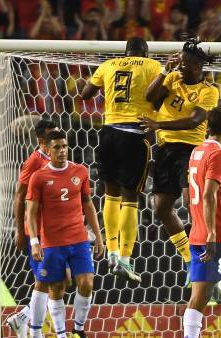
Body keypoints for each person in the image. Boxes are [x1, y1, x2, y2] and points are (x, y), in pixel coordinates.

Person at [81, 37, 161, 283]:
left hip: (107, 133)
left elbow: (85, 94)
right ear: (144, 52)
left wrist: (100, 81)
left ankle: (111, 252)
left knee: (110, 194)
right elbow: (157, 95)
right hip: (133, 135)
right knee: (131, 199)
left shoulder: (109, 65)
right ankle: (125, 259)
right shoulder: (151, 66)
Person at [142, 38, 219, 277]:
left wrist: (159, 123)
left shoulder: (208, 91)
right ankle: (189, 258)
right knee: (162, 207)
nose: (181, 66)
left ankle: (207, 251)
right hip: (165, 149)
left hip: (190, 151)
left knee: (190, 201)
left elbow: (196, 120)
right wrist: (165, 69)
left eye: (185, 63)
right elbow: (149, 96)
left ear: (198, 67)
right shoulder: (173, 77)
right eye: (180, 62)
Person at [26, 130, 105, 338]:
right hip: (52, 243)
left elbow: (88, 204)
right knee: (57, 287)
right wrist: (34, 241)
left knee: (87, 282)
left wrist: (98, 236)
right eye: (57, 147)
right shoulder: (39, 177)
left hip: (78, 239)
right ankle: (61, 336)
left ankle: (78, 328)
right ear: (48, 150)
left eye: (64, 146)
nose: (62, 151)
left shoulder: (80, 171)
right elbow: (30, 213)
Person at [180, 105, 221, 338]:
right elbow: (208, 195)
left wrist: (202, 225)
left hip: (198, 233)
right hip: (219, 234)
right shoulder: (218, 153)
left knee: (199, 296)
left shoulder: (197, 151)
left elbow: (189, 194)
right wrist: (214, 231)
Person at [6, 119, 72, 338]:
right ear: (42, 142)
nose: (59, 142)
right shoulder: (34, 162)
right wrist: (20, 231)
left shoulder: (58, 162)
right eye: (53, 138)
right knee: (47, 282)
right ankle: (35, 336)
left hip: (56, 231)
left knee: (62, 281)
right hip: (39, 232)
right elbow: (19, 196)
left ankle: (22, 318)